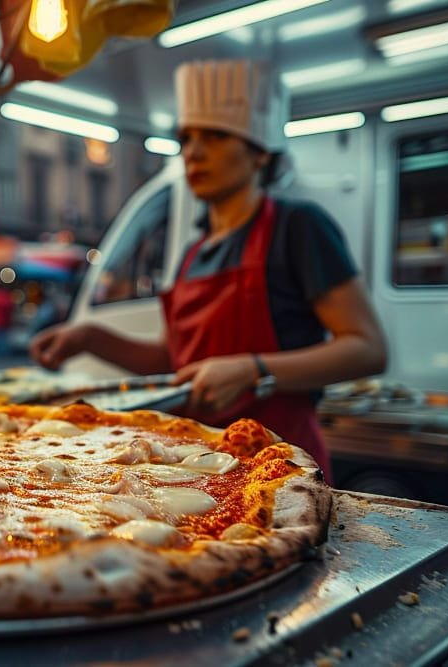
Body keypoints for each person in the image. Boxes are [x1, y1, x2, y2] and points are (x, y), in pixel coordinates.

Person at [29, 60, 387, 480]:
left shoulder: (297, 226)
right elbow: (178, 359)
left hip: (279, 456)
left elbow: (367, 348)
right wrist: (89, 338)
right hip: (198, 461)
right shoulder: (194, 250)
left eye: (215, 136)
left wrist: (254, 370)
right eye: (186, 138)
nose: (193, 153)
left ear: (259, 152)